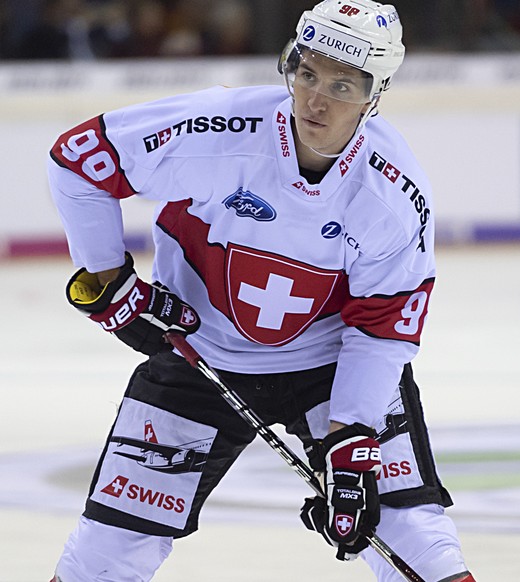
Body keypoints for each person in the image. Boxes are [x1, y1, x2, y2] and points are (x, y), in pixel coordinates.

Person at [47, 1, 477, 580]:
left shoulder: (393, 197)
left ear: (376, 93)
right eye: (306, 73)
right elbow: (80, 160)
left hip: (329, 365)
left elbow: (383, 327)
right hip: (197, 356)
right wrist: (111, 279)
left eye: (343, 84)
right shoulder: (219, 128)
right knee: (105, 556)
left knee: (416, 540)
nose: (316, 99)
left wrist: (351, 443)